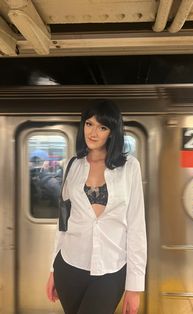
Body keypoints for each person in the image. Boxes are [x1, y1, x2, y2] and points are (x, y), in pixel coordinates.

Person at [46, 100, 147, 314]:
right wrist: (53, 270)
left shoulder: (130, 167)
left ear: (112, 132)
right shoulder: (72, 165)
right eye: (89, 124)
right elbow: (63, 222)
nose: (93, 132)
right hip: (70, 266)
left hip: (111, 270)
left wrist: (134, 287)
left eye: (102, 127)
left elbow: (137, 227)